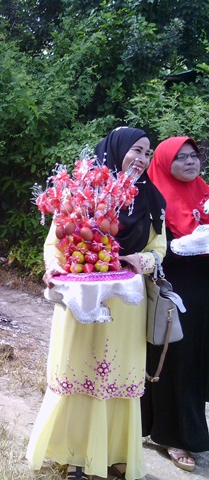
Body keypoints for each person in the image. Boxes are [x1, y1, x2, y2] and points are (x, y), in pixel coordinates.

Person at [26, 127, 167, 480]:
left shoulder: (151, 199)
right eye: (136, 150)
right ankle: (75, 455)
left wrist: (140, 261)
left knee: (118, 376)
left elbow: (159, 249)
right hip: (83, 302)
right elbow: (54, 242)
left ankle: (116, 453)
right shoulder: (83, 192)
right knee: (79, 370)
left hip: (126, 305)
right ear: (116, 150)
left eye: (147, 153)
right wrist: (54, 267)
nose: (142, 158)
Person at [142, 136, 209, 472]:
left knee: (196, 360)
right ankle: (175, 436)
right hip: (172, 292)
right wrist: (182, 245)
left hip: (203, 290)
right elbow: (148, 248)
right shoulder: (152, 196)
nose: (190, 162)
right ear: (165, 162)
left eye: (194, 155)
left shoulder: (204, 191)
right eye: (180, 157)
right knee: (174, 360)